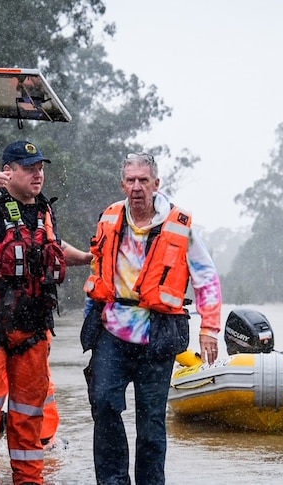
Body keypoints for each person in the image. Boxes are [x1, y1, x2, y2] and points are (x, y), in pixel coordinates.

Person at [0, 140, 92, 485]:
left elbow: (55, 247)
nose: (38, 174)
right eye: (30, 168)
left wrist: (90, 258)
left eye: (41, 168)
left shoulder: (44, 210)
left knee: (30, 411)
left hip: (32, 326)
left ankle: (29, 479)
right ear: (8, 171)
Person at [82, 152, 223, 485]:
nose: (136, 187)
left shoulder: (180, 226)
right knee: (103, 406)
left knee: (151, 424)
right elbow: (96, 268)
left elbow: (206, 278)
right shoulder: (109, 218)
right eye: (130, 180)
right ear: (122, 184)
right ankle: (113, 481)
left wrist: (210, 329)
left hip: (157, 337)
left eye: (143, 180)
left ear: (156, 184)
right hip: (112, 332)